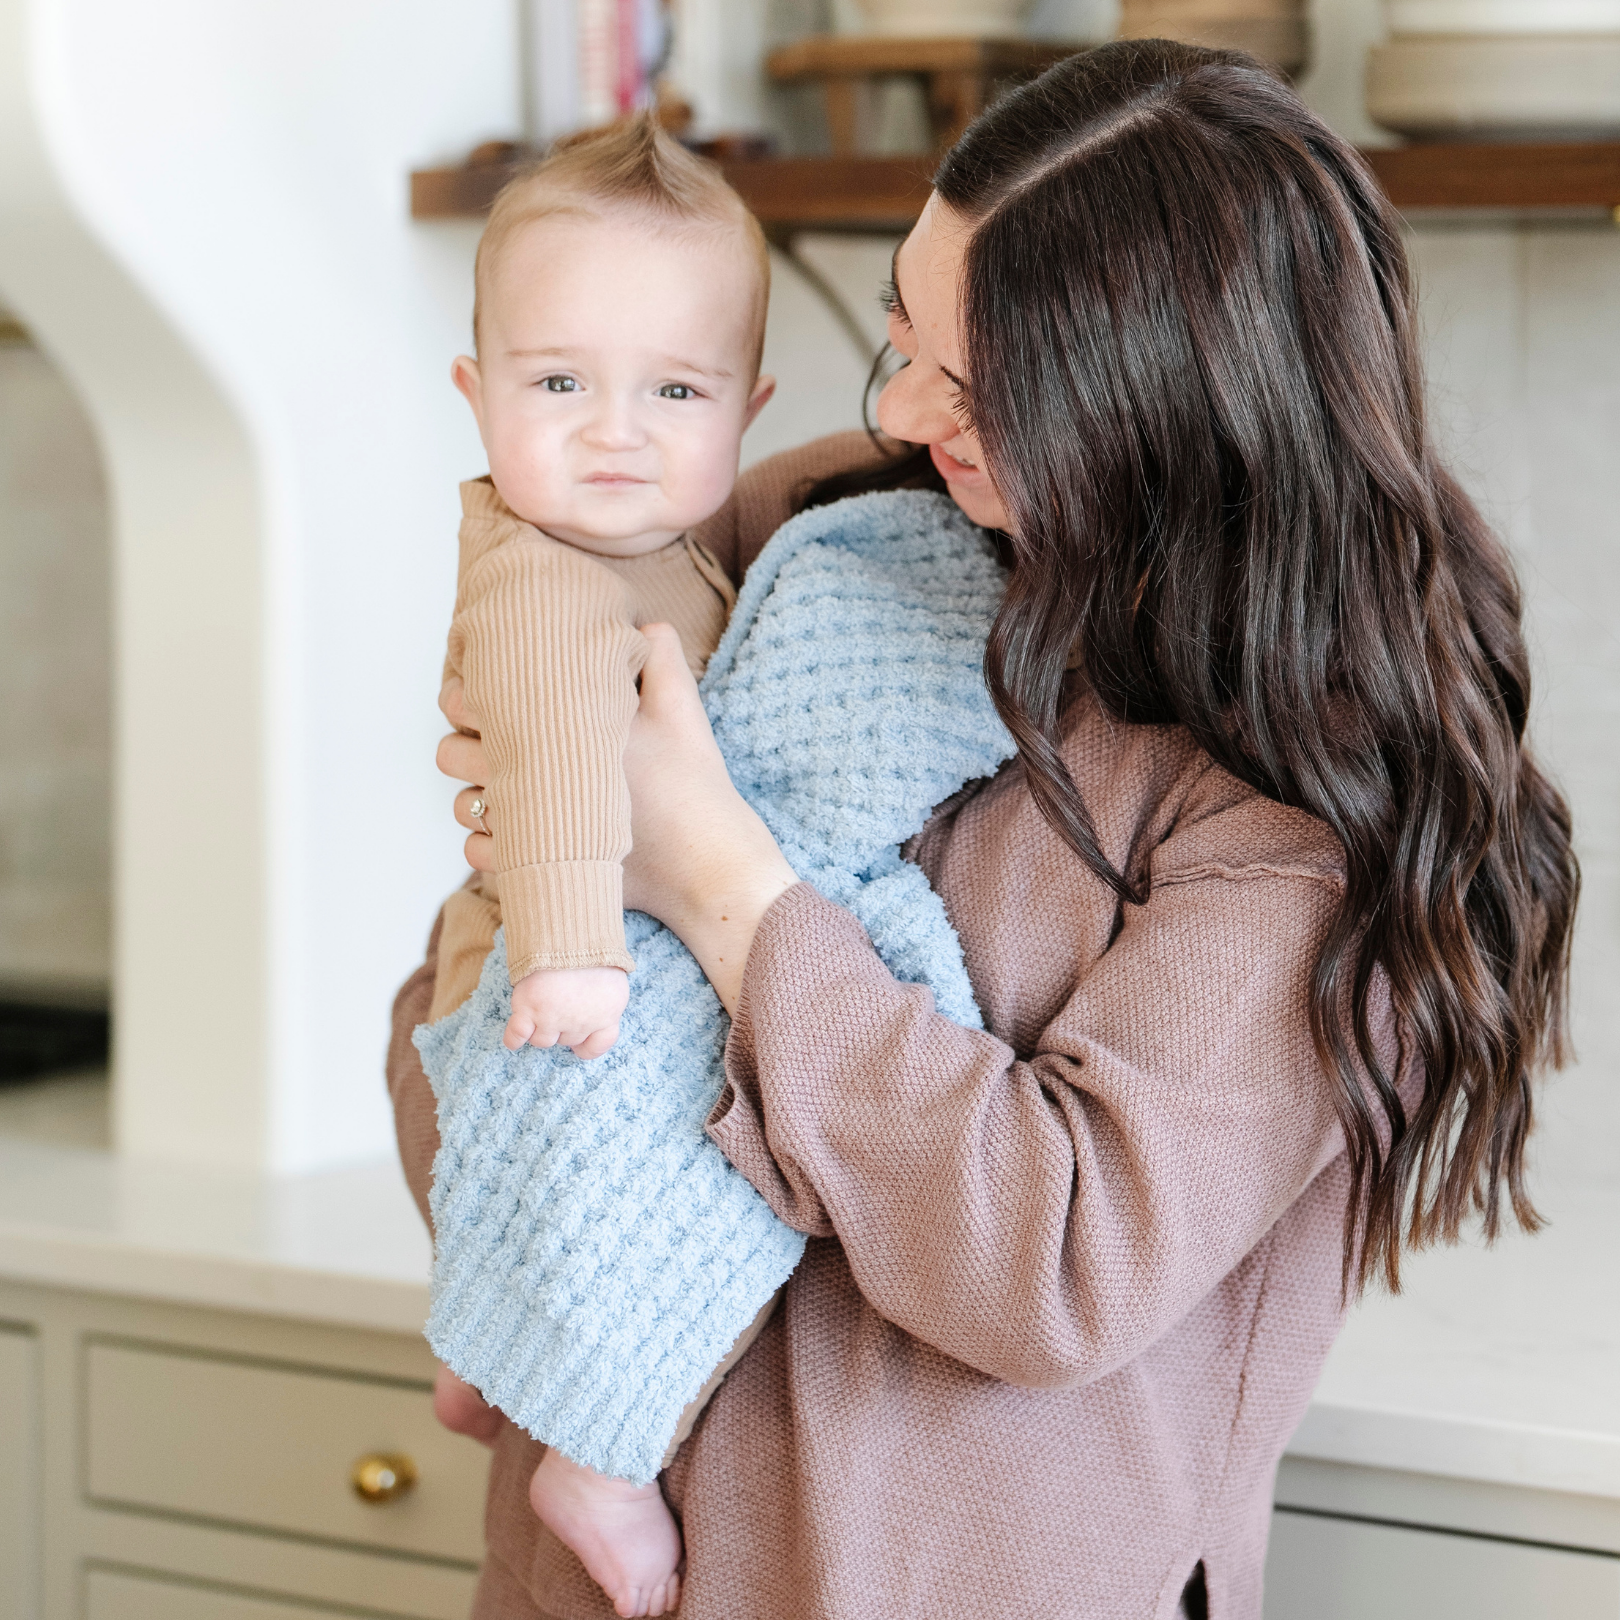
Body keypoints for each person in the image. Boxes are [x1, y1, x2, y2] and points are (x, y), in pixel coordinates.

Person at [391, 40, 1578, 1620]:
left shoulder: (1301, 805)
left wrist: (723, 890)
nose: (894, 407)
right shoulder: (828, 530)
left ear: (1171, 405)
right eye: (901, 332)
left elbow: (1052, 1263)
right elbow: (466, 1042)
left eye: (976, 383)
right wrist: (526, 926)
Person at [424, 118, 778, 1617]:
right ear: (476, 395)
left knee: (541, 1171)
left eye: (674, 391)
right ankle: (597, 1457)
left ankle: (474, 1347)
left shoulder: (665, 548)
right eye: (559, 384)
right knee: (618, 1163)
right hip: (547, 939)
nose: (615, 431)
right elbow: (563, 761)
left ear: (749, 411)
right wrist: (574, 944)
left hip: (571, 927)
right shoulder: (544, 574)